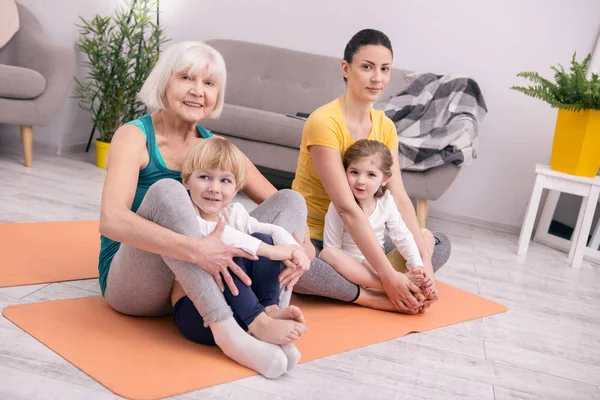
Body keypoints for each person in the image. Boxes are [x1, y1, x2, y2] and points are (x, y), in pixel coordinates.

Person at [98, 41, 312, 379]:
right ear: (165, 82)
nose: (198, 91)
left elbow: (279, 207)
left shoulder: (214, 148)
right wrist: (197, 250)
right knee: (169, 191)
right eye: (186, 78)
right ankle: (229, 332)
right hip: (137, 285)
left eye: (209, 84)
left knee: (291, 200)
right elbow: (111, 221)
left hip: (196, 284)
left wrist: (305, 245)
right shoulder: (134, 136)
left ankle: (272, 312)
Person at [292, 29, 451, 314]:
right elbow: (345, 208)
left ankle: (394, 284)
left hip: (371, 238)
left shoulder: (385, 127)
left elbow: (399, 196)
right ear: (346, 68)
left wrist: (426, 272)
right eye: (367, 67)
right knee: (298, 268)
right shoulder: (323, 122)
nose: (377, 78)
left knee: (438, 243)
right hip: (318, 237)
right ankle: (377, 295)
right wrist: (388, 279)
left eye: (384, 69)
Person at [171, 137, 308, 371]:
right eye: (205, 177)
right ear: (186, 181)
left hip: (238, 308)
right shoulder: (186, 215)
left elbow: (268, 230)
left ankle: (268, 310)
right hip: (198, 314)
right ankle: (257, 324)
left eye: (225, 180)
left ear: (235, 188)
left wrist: (293, 249)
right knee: (230, 251)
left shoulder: (233, 213)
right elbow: (226, 238)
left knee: (262, 238)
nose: (214, 188)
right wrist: (272, 251)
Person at [320, 139, 433, 300]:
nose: (360, 181)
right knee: (327, 254)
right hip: (356, 270)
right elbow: (332, 248)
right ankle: (393, 284)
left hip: (383, 266)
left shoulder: (386, 201)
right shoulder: (339, 205)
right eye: (354, 172)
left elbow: (401, 236)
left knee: (426, 236)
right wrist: (365, 263)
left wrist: (417, 267)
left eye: (371, 175)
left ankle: (409, 280)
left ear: (384, 179)